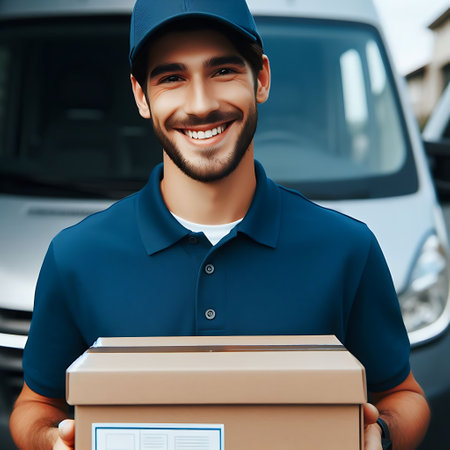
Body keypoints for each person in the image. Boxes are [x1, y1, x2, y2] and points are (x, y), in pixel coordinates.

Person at [10, 1, 430, 449]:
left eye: (223, 71)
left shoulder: (347, 247)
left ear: (261, 78)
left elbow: (403, 395)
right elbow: (35, 406)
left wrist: (379, 436)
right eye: (171, 77)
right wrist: (49, 441)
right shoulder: (77, 255)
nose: (201, 105)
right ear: (140, 96)